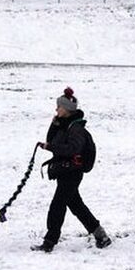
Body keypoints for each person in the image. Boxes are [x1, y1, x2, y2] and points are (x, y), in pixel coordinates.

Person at [32, 88, 110, 252]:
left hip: (72, 173)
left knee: (57, 206)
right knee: (76, 205)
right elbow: (51, 140)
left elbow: (72, 149)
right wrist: (54, 124)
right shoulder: (65, 125)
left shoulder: (76, 129)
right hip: (65, 171)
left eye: (59, 107)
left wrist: (51, 146)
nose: (56, 109)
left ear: (66, 109)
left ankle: (49, 242)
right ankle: (100, 235)